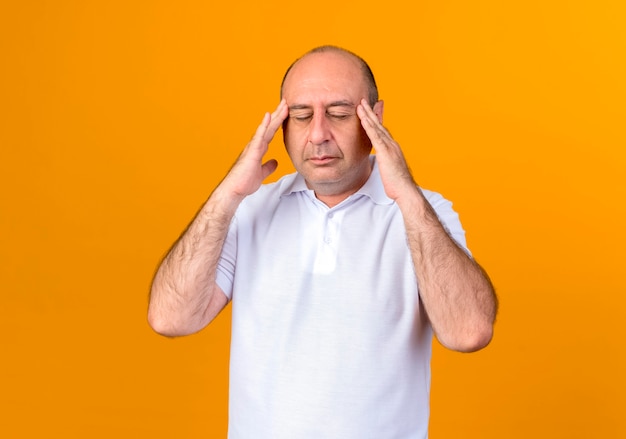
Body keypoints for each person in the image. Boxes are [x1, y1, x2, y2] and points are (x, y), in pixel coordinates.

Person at [148, 45, 498, 439]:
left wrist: (407, 196)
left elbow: (469, 332)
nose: (318, 134)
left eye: (339, 114)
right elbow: (170, 318)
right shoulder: (249, 209)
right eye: (300, 115)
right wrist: (228, 194)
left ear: (375, 119)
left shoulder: (424, 214)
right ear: (282, 125)